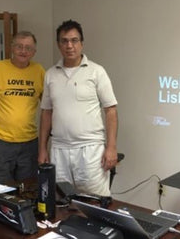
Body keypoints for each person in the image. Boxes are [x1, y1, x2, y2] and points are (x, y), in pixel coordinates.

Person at [38, 20, 119, 196]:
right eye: (64, 41)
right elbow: (46, 112)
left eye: (74, 40)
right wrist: (42, 148)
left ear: (82, 43)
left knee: (95, 201)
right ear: (58, 44)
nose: (69, 45)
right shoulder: (50, 74)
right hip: (59, 149)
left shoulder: (97, 72)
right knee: (61, 200)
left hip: (90, 149)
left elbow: (110, 110)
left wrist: (111, 147)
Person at [0, 31, 45, 184]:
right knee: (1, 189)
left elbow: (47, 107)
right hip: (0, 142)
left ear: (34, 52)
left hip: (29, 142)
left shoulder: (39, 71)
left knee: (27, 188)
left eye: (28, 48)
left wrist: (45, 144)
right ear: (12, 48)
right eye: (19, 46)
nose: (23, 51)